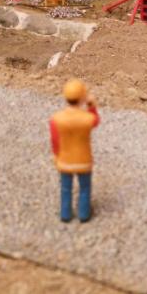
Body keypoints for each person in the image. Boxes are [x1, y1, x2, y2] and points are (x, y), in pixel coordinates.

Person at [49, 79, 100, 223]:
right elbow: (96, 121)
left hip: (65, 160)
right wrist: (91, 106)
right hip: (83, 160)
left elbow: (55, 140)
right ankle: (83, 214)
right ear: (83, 97)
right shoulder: (87, 118)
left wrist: (56, 155)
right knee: (84, 187)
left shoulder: (56, 118)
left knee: (66, 188)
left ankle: (65, 214)